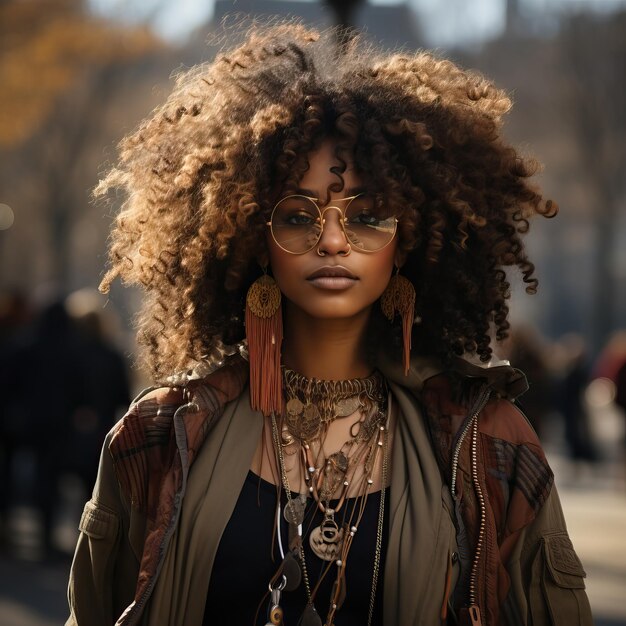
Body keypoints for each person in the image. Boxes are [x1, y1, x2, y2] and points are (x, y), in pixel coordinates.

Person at [65, 22, 592, 626]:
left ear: (408, 240)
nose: (334, 239)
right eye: (297, 215)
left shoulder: (489, 443)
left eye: (368, 216)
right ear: (252, 236)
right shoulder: (159, 434)